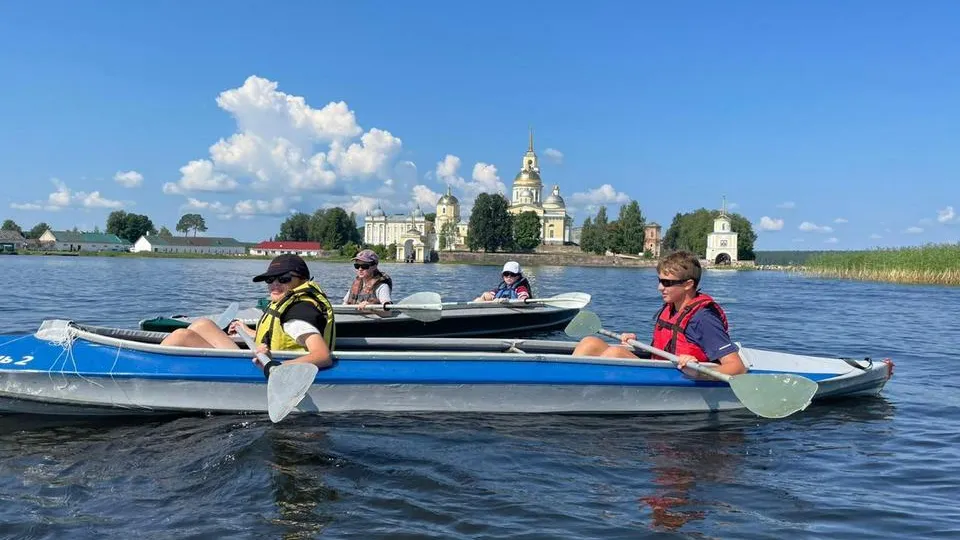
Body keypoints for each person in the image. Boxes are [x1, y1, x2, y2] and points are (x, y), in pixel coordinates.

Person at [572, 250, 746, 376]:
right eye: (660, 281)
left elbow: (737, 367)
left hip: (680, 376)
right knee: (590, 342)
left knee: (614, 354)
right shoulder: (672, 307)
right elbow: (667, 346)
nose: (660, 287)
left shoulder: (704, 318)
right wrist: (635, 344)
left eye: (667, 283)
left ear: (688, 284)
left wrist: (699, 373)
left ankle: (578, 388)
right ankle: (568, 385)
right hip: (660, 369)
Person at [160, 254, 335, 376]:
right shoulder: (291, 306)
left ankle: (154, 374)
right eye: (270, 280)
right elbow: (282, 335)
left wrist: (279, 367)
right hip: (259, 358)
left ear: (302, 281)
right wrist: (247, 331)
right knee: (202, 324)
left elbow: (322, 356)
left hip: (262, 367)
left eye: (284, 279)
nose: (275, 284)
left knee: (181, 336)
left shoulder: (297, 312)